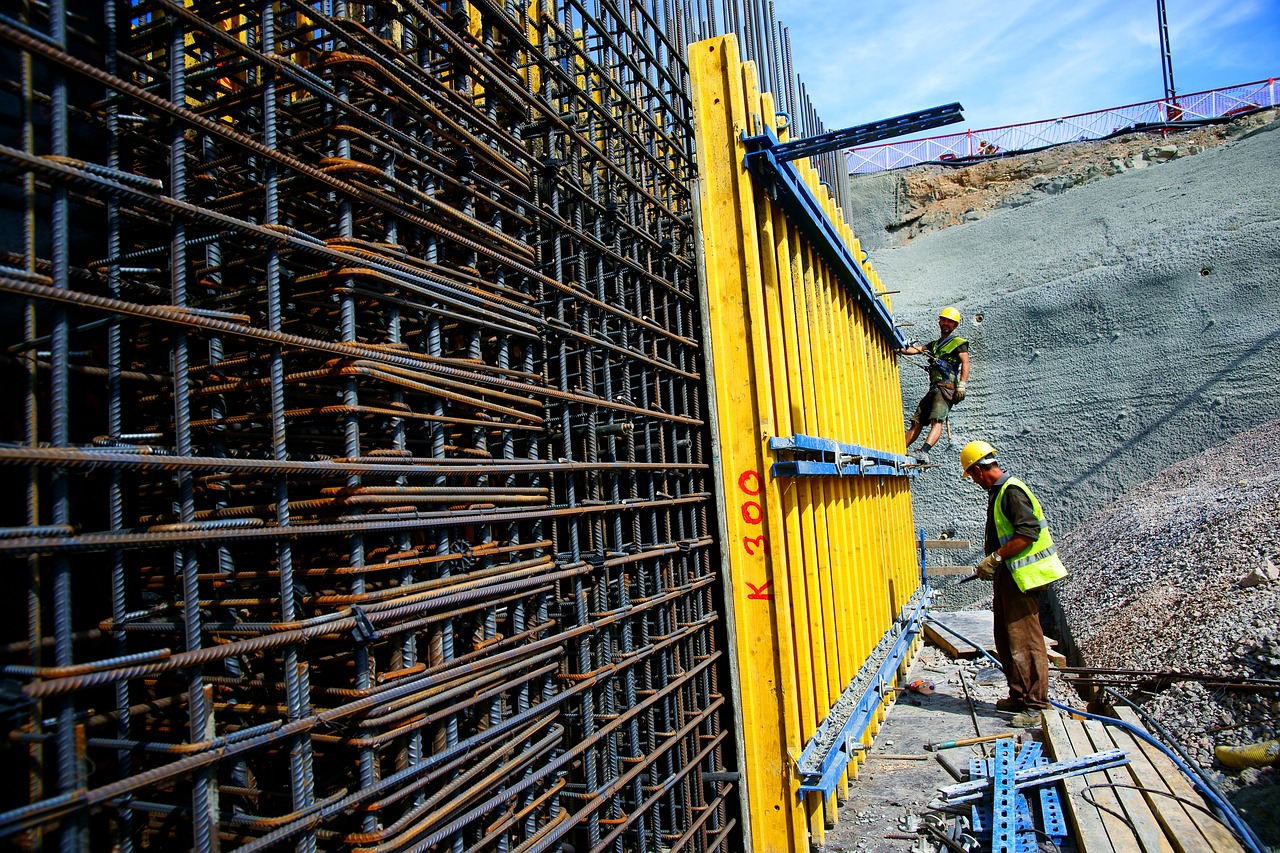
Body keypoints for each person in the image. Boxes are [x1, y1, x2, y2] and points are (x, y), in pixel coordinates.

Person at [960, 440, 1069, 728]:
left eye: (972, 476)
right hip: (1009, 577)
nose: (974, 481)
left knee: (1026, 641)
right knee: (1006, 639)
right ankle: (1020, 695)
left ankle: (1036, 705)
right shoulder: (999, 492)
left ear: (979, 470)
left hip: (1022, 579)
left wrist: (995, 558)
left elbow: (1027, 533)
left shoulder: (1011, 492)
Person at [896, 306, 970, 462]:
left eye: (950, 321)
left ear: (955, 325)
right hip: (934, 388)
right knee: (917, 422)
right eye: (944, 320)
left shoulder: (958, 343)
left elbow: (965, 363)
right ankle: (899, 450)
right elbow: (916, 350)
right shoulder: (934, 345)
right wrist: (898, 348)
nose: (946, 323)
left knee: (937, 420)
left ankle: (924, 451)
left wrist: (962, 385)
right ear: (940, 322)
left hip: (946, 388)